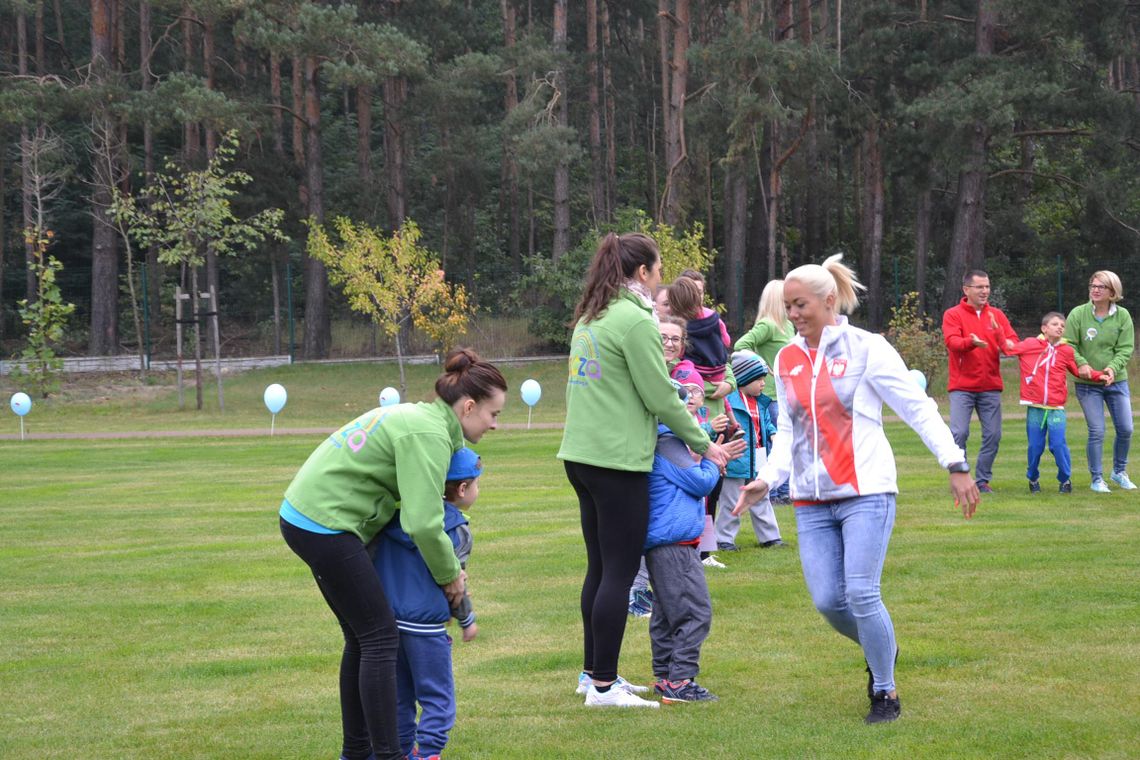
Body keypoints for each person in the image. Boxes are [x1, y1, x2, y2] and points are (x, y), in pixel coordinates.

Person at [733, 254, 980, 725]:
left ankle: (884, 690)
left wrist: (955, 462)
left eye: (800, 304)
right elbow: (788, 432)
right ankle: (880, 643)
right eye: (788, 305)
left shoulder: (868, 348)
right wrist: (766, 479)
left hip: (867, 492)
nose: (793, 314)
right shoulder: (786, 358)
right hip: (810, 500)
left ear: (829, 301)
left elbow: (917, 407)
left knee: (863, 594)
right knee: (828, 601)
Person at [279, 349, 507, 760]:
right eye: (493, 413)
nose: (495, 424)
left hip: (307, 517)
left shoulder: (425, 422)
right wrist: (450, 575)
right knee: (380, 638)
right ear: (469, 406)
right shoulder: (429, 435)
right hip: (323, 524)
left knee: (362, 638)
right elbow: (423, 523)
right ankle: (387, 755)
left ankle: (357, 752)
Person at [560, 232, 736, 708]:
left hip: (580, 455)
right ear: (642, 273)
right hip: (616, 460)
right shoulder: (634, 319)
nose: (660, 280)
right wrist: (705, 444)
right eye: (657, 270)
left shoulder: (590, 316)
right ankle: (604, 686)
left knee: (599, 569)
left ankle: (591, 673)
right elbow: (659, 394)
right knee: (618, 572)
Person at [372, 447, 483, 760]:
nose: (477, 490)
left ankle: (402, 751)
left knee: (399, 697)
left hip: (388, 624)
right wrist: (467, 620)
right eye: (476, 484)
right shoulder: (456, 529)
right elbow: (454, 585)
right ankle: (428, 754)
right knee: (438, 698)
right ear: (462, 489)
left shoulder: (394, 518)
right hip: (425, 628)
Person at [644, 417, 722, 703]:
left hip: (662, 542)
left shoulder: (659, 440)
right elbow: (700, 482)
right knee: (694, 612)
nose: (692, 414)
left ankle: (666, 676)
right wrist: (713, 461)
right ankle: (680, 681)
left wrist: (709, 443)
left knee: (666, 614)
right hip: (674, 544)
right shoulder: (667, 443)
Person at [1007, 313, 1106, 493]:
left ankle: (1065, 479)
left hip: (1056, 409)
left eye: (1062, 325)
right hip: (1035, 408)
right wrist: (995, 335)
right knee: (1035, 447)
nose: (1060, 327)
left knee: (1058, 445)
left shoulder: (1067, 350)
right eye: (1055, 324)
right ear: (1044, 328)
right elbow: (1009, 349)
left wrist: (1101, 376)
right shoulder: (1030, 344)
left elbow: (1079, 371)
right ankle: (1033, 478)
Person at [941, 269, 1018, 493]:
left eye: (987, 287)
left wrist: (1011, 343)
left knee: (994, 435)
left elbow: (1010, 343)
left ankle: (982, 480)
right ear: (966, 290)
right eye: (980, 287)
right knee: (959, 433)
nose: (985, 291)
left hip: (990, 386)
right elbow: (952, 342)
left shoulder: (997, 315)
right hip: (962, 387)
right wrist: (970, 342)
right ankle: (961, 478)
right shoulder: (953, 314)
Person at [1064, 270, 1137, 492]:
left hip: (1116, 382)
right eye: (1092, 286)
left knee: (1126, 429)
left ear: (1112, 292)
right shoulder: (1078, 314)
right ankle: (1097, 479)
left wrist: (1112, 369)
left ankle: (1119, 472)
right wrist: (1082, 364)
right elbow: (1069, 344)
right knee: (1097, 430)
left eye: (1101, 287)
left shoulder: (1123, 316)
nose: (1095, 290)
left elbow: (1125, 348)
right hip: (1087, 385)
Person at [715, 351, 785, 551]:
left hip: (758, 458)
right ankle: (724, 538)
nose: (763, 384)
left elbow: (766, 423)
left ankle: (770, 537)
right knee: (731, 501)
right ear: (744, 380)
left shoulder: (760, 402)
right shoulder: (730, 403)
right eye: (758, 380)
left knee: (762, 497)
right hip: (736, 459)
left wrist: (772, 433)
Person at [735, 279, 796, 504]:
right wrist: (762, 366)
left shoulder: (787, 326)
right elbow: (742, 345)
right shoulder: (767, 325)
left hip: (786, 392)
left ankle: (785, 490)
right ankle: (775, 491)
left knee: (786, 439)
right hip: (769, 394)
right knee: (773, 441)